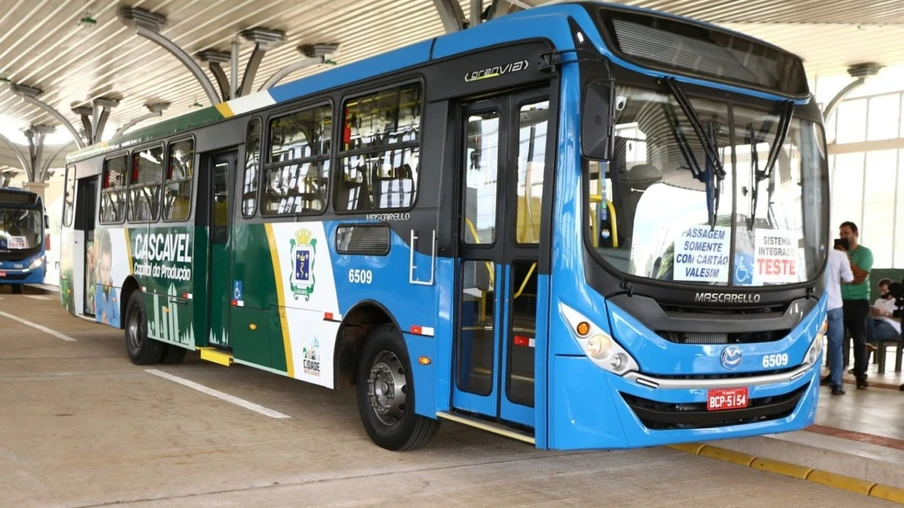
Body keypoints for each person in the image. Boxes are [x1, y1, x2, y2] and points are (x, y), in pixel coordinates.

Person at [839, 221, 873, 389]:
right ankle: (836, 373)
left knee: (859, 340)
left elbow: (860, 278)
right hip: (840, 301)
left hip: (859, 303)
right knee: (837, 339)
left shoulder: (865, 253)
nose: (843, 236)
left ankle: (860, 375)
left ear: (855, 233)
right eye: (841, 234)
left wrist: (847, 259)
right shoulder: (837, 254)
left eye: (846, 233)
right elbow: (838, 278)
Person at [821, 238, 854, 395]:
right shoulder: (840, 256)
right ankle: (837, 384)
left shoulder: (814, 253)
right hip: (834, 305)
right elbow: (849, 278)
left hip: (814, 305)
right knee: (835, 346)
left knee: (811, 344)